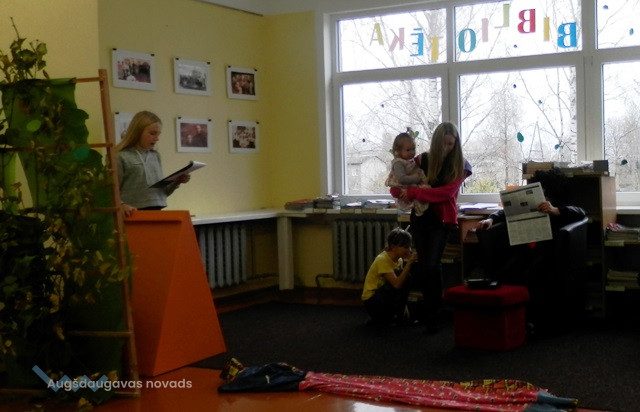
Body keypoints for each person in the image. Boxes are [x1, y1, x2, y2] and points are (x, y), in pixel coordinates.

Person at [474, 168, 587, 332]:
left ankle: (531, 321)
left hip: (549, 252)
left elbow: (581, 212)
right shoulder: (530, 203)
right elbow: (505, 212)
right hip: (525, 250)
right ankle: (506, 317)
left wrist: (555, 210)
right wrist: (491, 219)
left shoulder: (560, 207)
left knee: (534, 270)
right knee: (509, 269)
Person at [391, 122, 472, 333]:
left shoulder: (461, 165)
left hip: (441, 221)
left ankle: (434, 315)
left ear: (456, 144)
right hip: (420, 218)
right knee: (424, 265)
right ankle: (428, 313)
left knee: (432, 266)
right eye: (443, 143)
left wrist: (415, 193)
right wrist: (397, 189)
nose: (446, 148)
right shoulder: (422, 159)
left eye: (450, 144)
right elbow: (400, 177)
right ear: (436, 142)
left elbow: (445, 194)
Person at [117, 111, 190, 217]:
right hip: (131, 214)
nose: (157, 138)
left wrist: (177, 181)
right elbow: (110, 190)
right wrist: (121, 205)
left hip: (157, 211)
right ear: (137, 132)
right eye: (152, 133)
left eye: (158, 134)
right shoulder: (121, 156)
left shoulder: (155, 156)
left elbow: (161, 192)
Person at [361, 228, 417, 326]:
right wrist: (409, 263)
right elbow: (396, 285)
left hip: (381, 295)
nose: (409, 250)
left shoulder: (399, 260)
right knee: (404, 278)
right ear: (393, 247)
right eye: (405, 247)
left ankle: (394, 317)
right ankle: (381, 318)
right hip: (372, 301)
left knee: (406, 278)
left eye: (409, 247)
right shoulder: (382, 259)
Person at [385, 130, 429, 215]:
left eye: (413, 149)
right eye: (408, 150)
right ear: (398, 151)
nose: (412, 152)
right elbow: (402, 179)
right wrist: (416, 179)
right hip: (402, 187)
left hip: (409, 186)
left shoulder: (410, 161)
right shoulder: (398, 163)